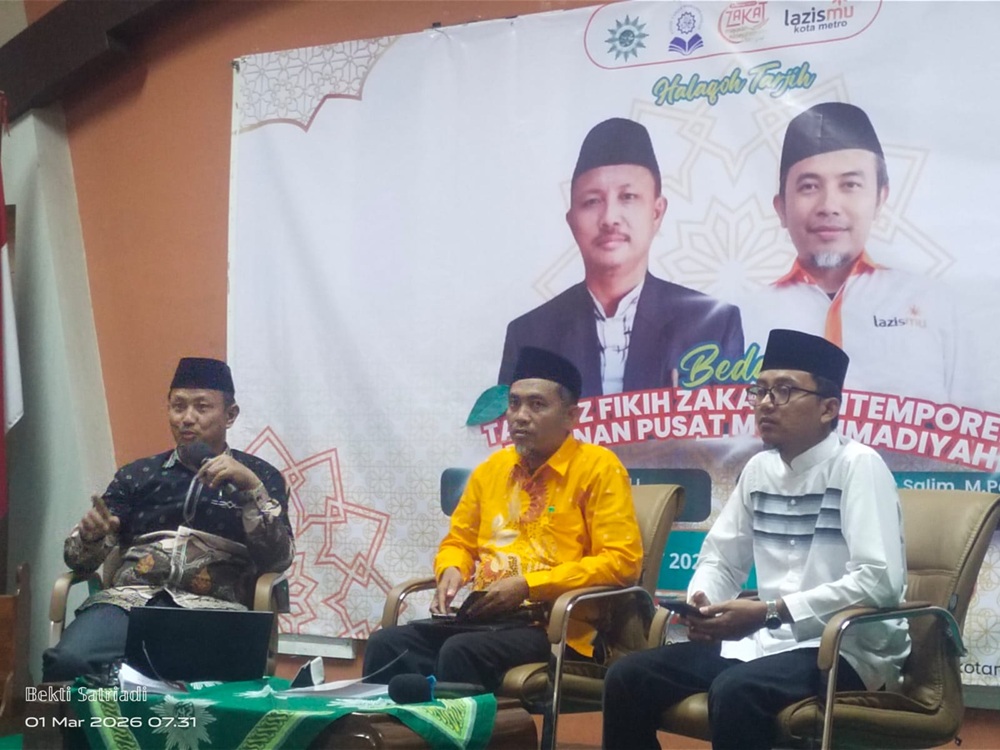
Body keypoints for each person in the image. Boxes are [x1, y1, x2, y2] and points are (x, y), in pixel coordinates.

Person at [602, 329, 909, 750]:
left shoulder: (858, 466)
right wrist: (703, 604)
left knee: (736, 691)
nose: (765, 403)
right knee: (627, 676)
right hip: (766, 643)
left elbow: (879, 580)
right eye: (759, 391)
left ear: (828, 408)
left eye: (784, 391)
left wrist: (771, 612)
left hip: (845, 649)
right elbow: (721, 559)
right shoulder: (760, 469)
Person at [364, 346, 642, 689]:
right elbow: (459, 543)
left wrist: (530, 585)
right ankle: (389, 726)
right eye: (514, 403)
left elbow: (622, 562)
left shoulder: (598, 468)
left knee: (461, 651)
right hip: (485, 620)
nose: (520, 416)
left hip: (556, 629)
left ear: (571, 416)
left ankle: (469, 725)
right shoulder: (492, 469)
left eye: (537, 405)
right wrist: (451, 569)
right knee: (387, 644)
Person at [42, 357, 295, 682]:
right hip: (129, 603)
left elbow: (277, 560)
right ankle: (95, 714)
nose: (187, 418)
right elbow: (79, 562)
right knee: (68, 664)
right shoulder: (138, 475)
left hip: (213, 610)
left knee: (199, 686)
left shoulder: (258, 476)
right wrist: (91, 537)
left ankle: (132, 696)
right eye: (178, 407)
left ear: (230, 415)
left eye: (202, 407)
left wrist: (252, 491)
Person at [742, 101, 972, 405]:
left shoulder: (935, 305)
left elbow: (978, 423)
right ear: (781, 208)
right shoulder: (742, 317)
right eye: (809, 187)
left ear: (879, 199)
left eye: (850, 184)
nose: (829, 206)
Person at [498, 118, 744, 398]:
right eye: (592, 201)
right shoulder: (529, 336)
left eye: (628, 196)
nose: (609, 218)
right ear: (571, 220)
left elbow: (733, 424)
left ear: (656, 212)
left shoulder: (713, 324)